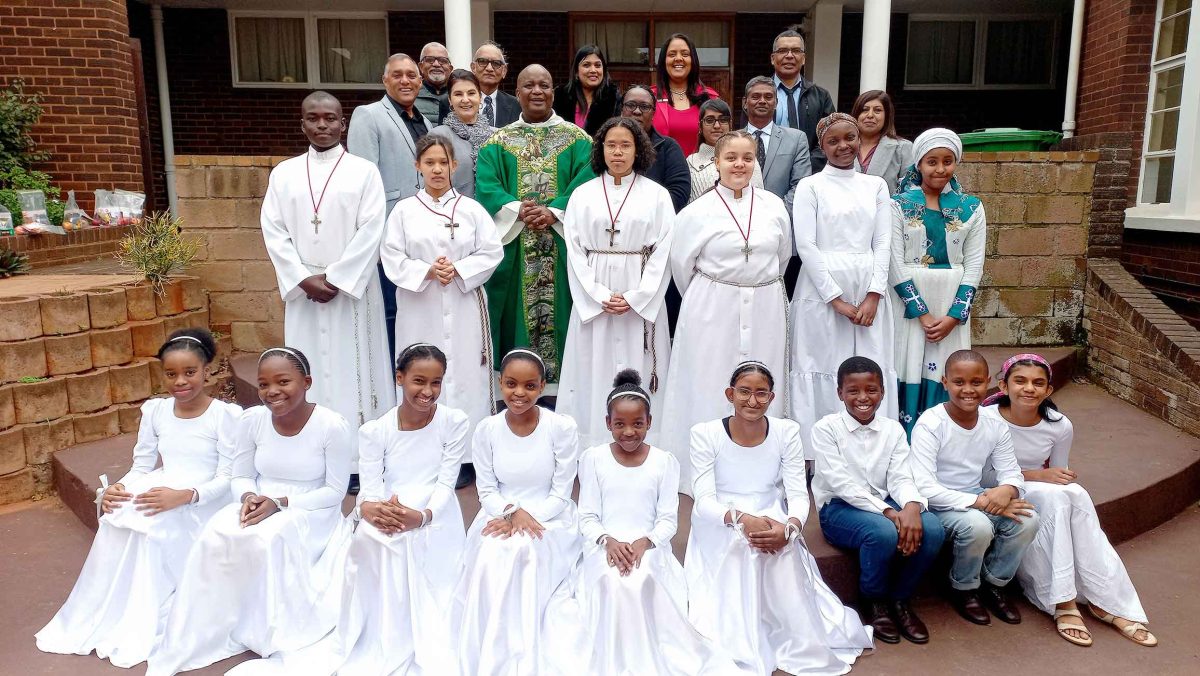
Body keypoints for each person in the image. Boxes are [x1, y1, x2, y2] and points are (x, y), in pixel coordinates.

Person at [36, 329, 240, 668]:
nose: (180, 381)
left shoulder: (225, 416)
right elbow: (142, 466)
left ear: (207, 370)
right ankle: (113, 610)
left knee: (154, 524)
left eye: (190, 372)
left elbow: (228, 476)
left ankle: (146, 613)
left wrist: (186, 496)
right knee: (117, 516)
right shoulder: (156, 411)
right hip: (165, 482)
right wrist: (118, 487)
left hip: (204, 497)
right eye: (171, 374)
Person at [146, 348, 354, 676]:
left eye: (283, 381)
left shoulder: (331, 425)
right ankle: (215, 621)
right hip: (259, 500)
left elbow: (334, 492)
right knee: (218, 531)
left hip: (311, 510)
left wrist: (280, 503)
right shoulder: (253, 420)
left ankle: (264, 627)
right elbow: (241, 475)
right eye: (264, 384)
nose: (272, 391)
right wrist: (248, 496)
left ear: (307, 382)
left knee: (268, 538)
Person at [686, 362, 874, 675]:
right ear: (730, 394)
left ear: (772, 397)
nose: (752, 400)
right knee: (743, 547)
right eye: (744, 392)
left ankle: (794, 637)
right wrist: (741, 519)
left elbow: (799, 494)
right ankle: (743, 639)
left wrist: (790, 527)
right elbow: (704, 500)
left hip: (770, 510)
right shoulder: (705, 433)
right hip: (721, 517)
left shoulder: (786, 432)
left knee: (781, 548)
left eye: (761, 393)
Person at [546, 370, 733, 675]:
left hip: (650, 546)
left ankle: (646, 657)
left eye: (637, 423)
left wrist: (645, 543)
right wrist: (608, 541)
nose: (629, 432)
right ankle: (613, 658)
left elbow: (668, 520)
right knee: (611, 581)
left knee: (641, 578)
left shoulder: (664, 461)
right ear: (608, 423)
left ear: (649, 422)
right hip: (604, 544)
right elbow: (588, 516)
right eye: (619, 424)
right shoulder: (593, 458)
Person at [982, 354, 1157, 648]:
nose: (1029, 388)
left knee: (1074, 494)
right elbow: (982, 475)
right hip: (999, 489)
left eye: (1038, 383)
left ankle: (1094, 598)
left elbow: (1060, 476)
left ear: (1048, 390)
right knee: (1062, 497)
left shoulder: (1059, 425)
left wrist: (1045, 478)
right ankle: (1072, 601)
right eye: (1020, 381)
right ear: (1003, 386)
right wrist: (1036, 475)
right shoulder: (987, 419)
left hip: (1046, 493)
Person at [261, 91, 394, 448]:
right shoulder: (284, 174)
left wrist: (337, 278)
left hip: (351, 290)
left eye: (330, 118)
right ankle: (308, 445)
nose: (322, 125)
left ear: (343, 124)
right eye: (314, 118)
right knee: (307, 366)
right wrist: (301, 278)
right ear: (302, 124)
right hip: (304, 291)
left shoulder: (364, 172)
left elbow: (372, 228)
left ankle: (358, 452)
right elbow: (273, 230)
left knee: (356, 367)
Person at [660, 131, 792, 493]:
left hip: (764, 305)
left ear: (756, 163)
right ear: (716, 162)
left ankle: (759, 472)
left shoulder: (773, 207)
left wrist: (751, 283)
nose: (739, 165)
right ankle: (702, 471)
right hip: (712, 307)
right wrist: (717, 292)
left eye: (747, 158)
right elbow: (681, 266)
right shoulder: (696, 212)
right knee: (707, 381)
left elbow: (781, 258)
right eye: (731, 158)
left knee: (761, 379)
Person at [329, 344, 471, 673]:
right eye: (419, 381)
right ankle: (382, 628)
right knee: (372, 538)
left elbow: (446, 481)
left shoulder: (454, 422)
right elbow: (370, 486)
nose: (428, 391)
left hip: (435, 509)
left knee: (415, 540)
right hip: (389, 504)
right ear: (399, 378)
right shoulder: (375, 430)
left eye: (436, 382)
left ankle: (423, 626)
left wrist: (422, 517)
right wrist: (373, 509)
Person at [451, 349, 582, 676]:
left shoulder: (561, 427)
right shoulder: (487, 429)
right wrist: (511, 512)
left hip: (550, 516)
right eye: (511, 384)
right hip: (499, 513)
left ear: (542, 386)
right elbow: (486, 491)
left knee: (525, 550)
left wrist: (527, 517)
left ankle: (523, 646)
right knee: (492, 551)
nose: (519, 393)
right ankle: (493, 646)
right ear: (501, 383)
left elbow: (561, 492)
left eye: (529, 386)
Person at [557, 117, 675, 448]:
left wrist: (638, 296)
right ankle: (589, 443)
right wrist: (597, 295)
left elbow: (665, 250)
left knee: (642, 363)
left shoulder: (657, 195)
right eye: (611, 145)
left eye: (625, 145)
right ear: (601, 150)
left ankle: (646, 442)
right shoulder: (582, 194)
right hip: (596, 291)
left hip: (639, 287)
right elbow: (574, 250)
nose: (618, 152)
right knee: (591, 367)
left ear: (638, 150)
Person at [476, 64, 595, 385]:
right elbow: (486, 186)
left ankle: (565, 385)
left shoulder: (577, 139)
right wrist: (518, 209)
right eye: (529, 86)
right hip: (516, 246)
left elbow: (587, 183)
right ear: (517, 93)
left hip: (562, 245)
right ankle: (517, 382)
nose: (537, 91)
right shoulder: (498, 142)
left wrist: (555, 210)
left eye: (544, 85)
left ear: (553, 92)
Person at [812, 356, 942, 645]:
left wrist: (911, 506)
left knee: (933, 528)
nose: (863, 397)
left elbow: (900, 476)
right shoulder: (826, 428)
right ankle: (875, 600)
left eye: (871, 390)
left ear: (882, 392)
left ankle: (900, 598)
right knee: (883, 532)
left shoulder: (892, 429)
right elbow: (841, 484)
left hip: (885, 502)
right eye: (853, 390)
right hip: (839, 508)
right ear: (840, 393)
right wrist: (887, 512)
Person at [381, 135, 503, 439]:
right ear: (417, 166)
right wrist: (427, 270)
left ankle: (467, 446)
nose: (437, 169)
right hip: (420, 305)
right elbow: (391, 255)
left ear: (454, 165)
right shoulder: (404, 211)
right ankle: (420, 438)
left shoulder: (471, 210)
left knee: (465, 369)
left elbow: (492, 252)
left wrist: (458, 268)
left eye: (443, 162)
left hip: (464, 304)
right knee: (421, 367)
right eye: (430, 162)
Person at [790, 113, 897, 459]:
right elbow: (806, 245)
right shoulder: (810, 186)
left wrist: (874, 294)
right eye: (833, 141)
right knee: (822, 364)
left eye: (849, 138)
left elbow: (883, 242)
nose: (843, 146)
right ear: (821, 146)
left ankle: (873, 454)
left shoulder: (876, 186)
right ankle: (819, 455)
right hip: (821, 288)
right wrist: (835, 298)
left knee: (870, 363)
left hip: (867, 285)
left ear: (859, 138)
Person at [908, 350, 1039, 627]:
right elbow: (924, 487)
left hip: (976, 495)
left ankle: (994, 584)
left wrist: (1008, 490)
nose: (968, 390)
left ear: (988, 382)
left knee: (1027, 520)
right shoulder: (931, 424)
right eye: (959, 382)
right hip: (938, 504)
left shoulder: (994, 424)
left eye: (976, 382)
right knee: (978, 525)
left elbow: (1011, 471)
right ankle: (964, 588)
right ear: (945, 382)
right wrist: (980, 502)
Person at [890, 128, 986, 433]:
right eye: (932, 161)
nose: (940, 169)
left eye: (948, 161)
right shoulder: (896, 205)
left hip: (951, 300)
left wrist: (954, 316)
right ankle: (905, 437)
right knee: (906, 361)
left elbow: (974, 265)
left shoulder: (972, 207)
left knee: (946, 365)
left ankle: (946, 437)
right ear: (919, 163)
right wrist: (922, 313)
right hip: (908, 304)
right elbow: (893, 262)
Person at [349, 53, 429, 358]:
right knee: (391, 311)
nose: (405, 81)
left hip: (422, 230)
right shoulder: (368, 115)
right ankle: (393, 374)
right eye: (397, 75)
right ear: (385, 80)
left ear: (420, 82)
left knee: (417, 309)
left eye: (411, 75)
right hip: (388, 231)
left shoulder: (424, 121)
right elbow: (362, 181)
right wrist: (375, 234)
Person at [769, 26, 836, 172]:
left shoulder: (820, 96)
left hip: (810, 171)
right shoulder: (758, 95)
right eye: (783, 50)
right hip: (767, 171)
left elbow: (830, 136)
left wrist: (806, 165)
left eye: (796, 50)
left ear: (804, 58)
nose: (789, 56)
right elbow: (749, 134)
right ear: (773, 59)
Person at [743, 75, 811, 214]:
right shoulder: (730, 140)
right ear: (745, 102)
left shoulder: (797, 139)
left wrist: (776, 215)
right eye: (756, 96)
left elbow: (800, 185)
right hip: (739, 219)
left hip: (781, 218)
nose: (762, 101)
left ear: (776, 103)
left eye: (768, 97)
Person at [621, 84, 691, 213]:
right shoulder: (606, 146)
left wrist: (639, 214)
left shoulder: (668, 147)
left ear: (653, 113)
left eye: (644, 107)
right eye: (630, 105)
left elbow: (679, 193)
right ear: (621, 110)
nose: (637, 111)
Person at [428, 69, 496, 198]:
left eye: (471, 93)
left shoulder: (497, 136)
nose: (465, 99)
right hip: (452, 208)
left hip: (494, 209)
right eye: (458, 94)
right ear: (450, 100)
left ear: (480, 97)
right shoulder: (438, 137)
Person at [650, 33, 718, 156]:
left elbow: (723, 141)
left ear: (693, 60)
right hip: (660, 167)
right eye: (672, 54)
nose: (678, 58)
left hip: (702, 167)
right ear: (663, 61)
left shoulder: (710, 98)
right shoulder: (650, 98)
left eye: (685, 54)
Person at [685, 98, 763, 204]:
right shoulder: (690, 162)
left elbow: (758, 198)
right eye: (709, 120)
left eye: (723, 120)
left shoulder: (747, 158)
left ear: (730, 124)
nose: (717, 126)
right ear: (700, 126)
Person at [552, 44, 623, 137]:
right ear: (576, 71)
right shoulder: (560, 96)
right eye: (586, 65)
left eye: (598, 65)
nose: (593, 70)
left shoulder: (613, 97)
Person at [852, 90, 913, 196]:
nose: (870, 115)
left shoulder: (903, 148)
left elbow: (910, 190)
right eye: (864, 110)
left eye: (877, 110)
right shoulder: (842, 146)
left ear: (887, 115)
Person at [471, 41, 521, 127]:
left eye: (496, 63)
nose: (489, 68)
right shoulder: (458, 102)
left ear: (504, 71)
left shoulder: (516, 105)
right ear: (473, 67)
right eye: (483, 62)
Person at [416, 42, 452, 124]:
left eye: (442, 60)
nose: (436, 64)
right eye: (430, 60)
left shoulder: (460, 96)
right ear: (421, 67)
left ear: (450, 69)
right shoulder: (411, 97)